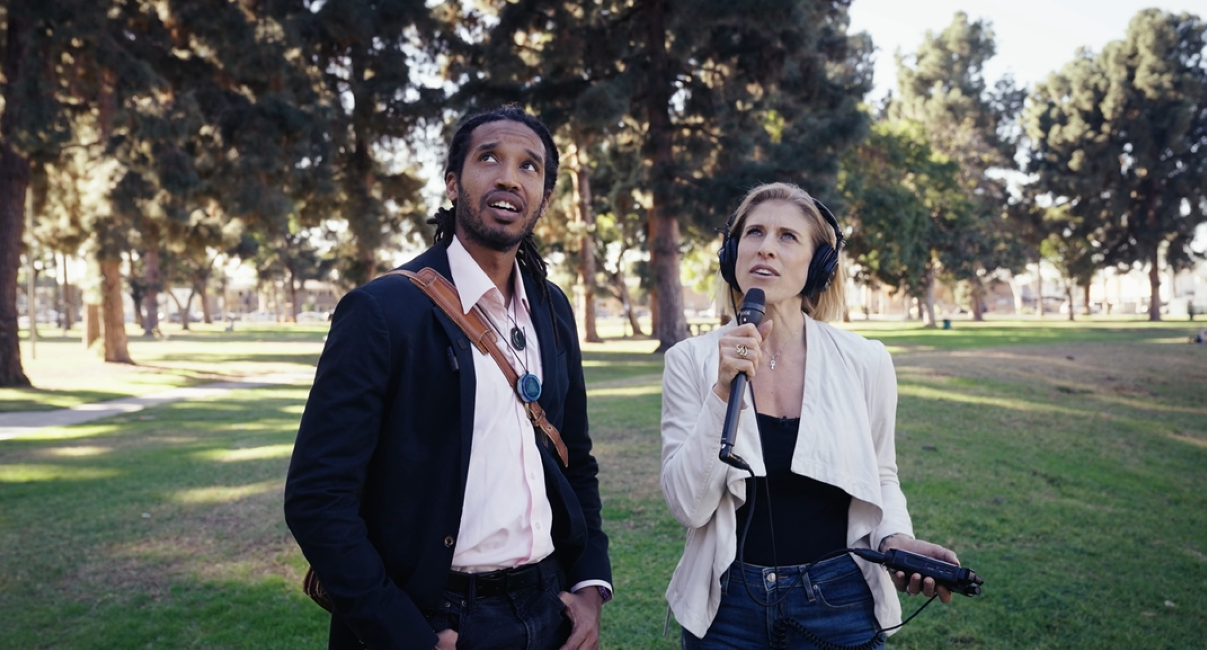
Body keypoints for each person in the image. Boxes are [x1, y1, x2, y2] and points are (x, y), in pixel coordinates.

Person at [285, 106, 612, 650]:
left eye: (529, 167)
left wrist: (588, 586)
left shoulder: (552, 308)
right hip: (437, 618)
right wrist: (406, 634)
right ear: (454, 182)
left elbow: (574, 456)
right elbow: (318, 498)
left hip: (548, 608)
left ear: (543, 198)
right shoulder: (383, 311)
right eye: (490, 158)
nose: (509, 176)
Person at [659, 182, 960, 649]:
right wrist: (722, 392)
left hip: (839, 597)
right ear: (732, 254)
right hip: (727, 602)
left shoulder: (865, 360)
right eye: (754, 232)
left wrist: (897, 538)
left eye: (787, 237)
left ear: (819, 265)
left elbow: (880, 473)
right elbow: (688, 506)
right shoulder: (689, 360)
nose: (765, 248)